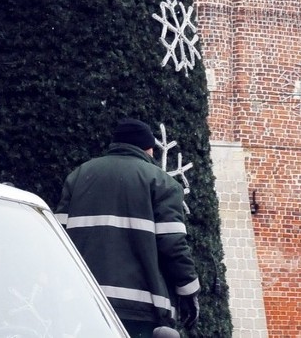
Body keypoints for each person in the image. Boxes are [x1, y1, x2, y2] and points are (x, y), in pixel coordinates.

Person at [56, 118, 201, 338]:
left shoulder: (78, 176)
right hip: (141, 310)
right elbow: (172, 245)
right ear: (149, 149)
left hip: (85, 302)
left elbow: (57, 241)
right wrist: (189, 292)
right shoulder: (161, 182)